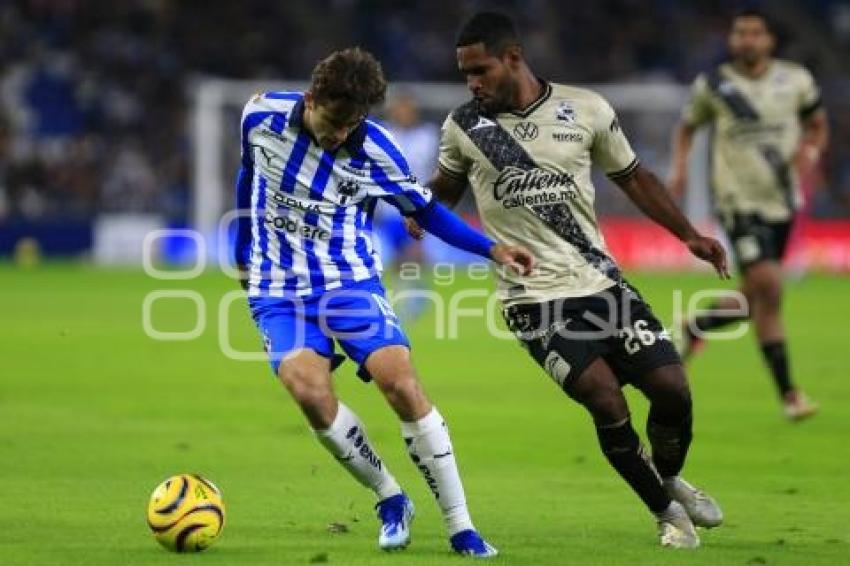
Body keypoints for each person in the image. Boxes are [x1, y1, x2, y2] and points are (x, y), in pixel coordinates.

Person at [407, 12, 728, 549]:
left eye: (480, 70)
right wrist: (420, 207)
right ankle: (668, 515)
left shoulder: (585, 109)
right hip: (533, 300)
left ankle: (667, 479)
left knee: (672, 391)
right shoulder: (466, 126)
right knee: (606, 400)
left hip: (602, 283)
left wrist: (688, 234)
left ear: (513, 58)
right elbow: (446, 185)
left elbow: (634, 177)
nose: (473, 84)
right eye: (466, 74)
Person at [234, 47, 533, 557]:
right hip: (276, 287)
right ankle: (389, 496)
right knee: (308, 391)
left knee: (399, 380)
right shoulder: (259, 115)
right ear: (310, 100)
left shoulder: (376, 149)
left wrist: (491, 248)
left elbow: (428, 211)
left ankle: (461, 526)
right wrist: (243, 253)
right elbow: (248, 176)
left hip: (350, 282)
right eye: (333, 122)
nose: (340, 135)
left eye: (352, 124)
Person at [669, 8, 827, 421]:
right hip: (737, 201)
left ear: (769, 40)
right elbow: (687, 127)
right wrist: (681, 168)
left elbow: (817, 124)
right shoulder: (715, 84)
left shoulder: (796, 80)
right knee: (769, 288)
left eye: (755, 33)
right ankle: (790, 395)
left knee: (758, 297)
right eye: (741, 33)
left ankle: (696, 324)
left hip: (781, 200)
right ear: (732, 39)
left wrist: (810, 151)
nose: (747, 40)